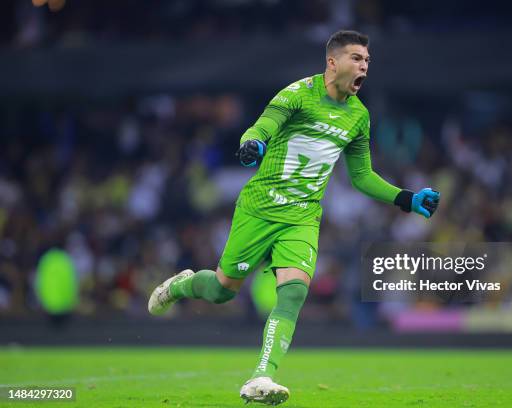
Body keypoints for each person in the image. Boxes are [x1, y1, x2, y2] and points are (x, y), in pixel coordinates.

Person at [148, 30, 440, 406]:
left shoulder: (359, 117)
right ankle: (182, 286)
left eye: (367, 60)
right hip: (260, 208)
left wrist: (406, 198)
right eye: (356, 58)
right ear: (332, 62)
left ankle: (261, 376)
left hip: (302, 217)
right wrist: (251, 143)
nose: (364, 65)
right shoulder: (297, 94)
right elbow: (263, 127)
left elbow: (361, 176)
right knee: (222, 290)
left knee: (294, 291)